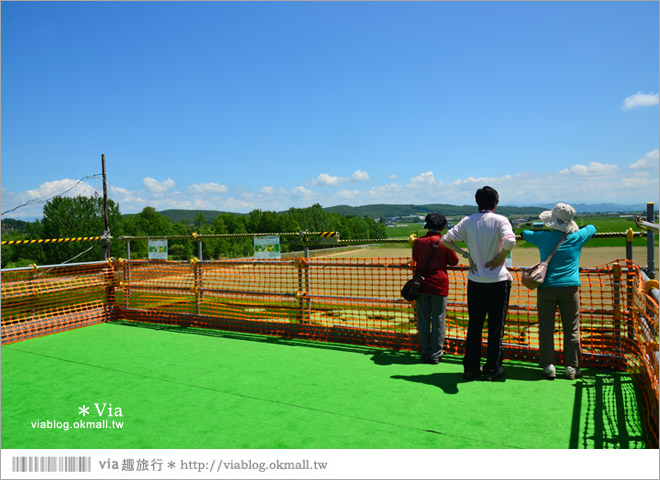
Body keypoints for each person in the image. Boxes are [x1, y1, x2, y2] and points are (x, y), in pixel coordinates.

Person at [443, 186, 516, 381]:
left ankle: (471, 368)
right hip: (498, 281)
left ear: (477, 202)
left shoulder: (467, 221)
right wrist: (501, 257)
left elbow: (446, 240)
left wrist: (466, 254)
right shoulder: (500, 220)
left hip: (475, 281)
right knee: (495, 327)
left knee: (474, 326)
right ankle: (492, 368)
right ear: (495, 203)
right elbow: (510, 241)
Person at [521, 203, 597, 380]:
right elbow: (592, 228)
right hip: (570, 287)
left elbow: (525, 234)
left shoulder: (542, 237)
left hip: (546, 287)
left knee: (546, 328)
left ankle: (549, 365)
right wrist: (578, 229)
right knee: (571, 328)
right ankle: (572, 367)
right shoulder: (577, 237)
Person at [412, 213, 459, 364]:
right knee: (439, 319)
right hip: (439, 284)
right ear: (443, 226)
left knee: (423, 320)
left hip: (421, 284)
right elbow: (454, 261)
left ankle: (425, 352)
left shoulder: (418, 242)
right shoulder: (444, 242)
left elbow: (416, 259)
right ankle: (436, 354)